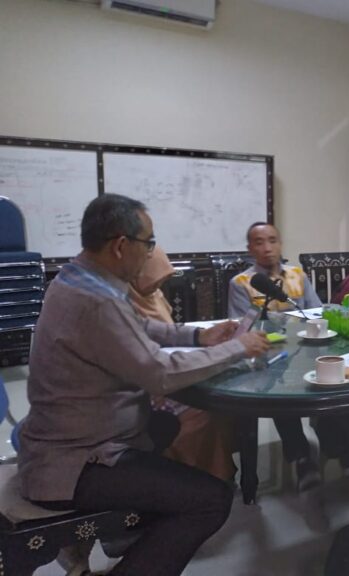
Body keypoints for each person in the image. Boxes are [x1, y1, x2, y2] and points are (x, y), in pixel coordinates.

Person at [18, 193, 270, 576]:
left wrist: (199, 338)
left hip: (65, 438)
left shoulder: (77, 278)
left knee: (166, 425)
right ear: (121, 245)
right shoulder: (96, 301)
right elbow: (160, 374)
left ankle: (131, 530)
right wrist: (236, 348)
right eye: (148, 243)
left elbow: (138, 330)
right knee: (211, 500)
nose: (151, 252)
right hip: (74, 463)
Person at [228, 222, 349, 490]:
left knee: (332, 379)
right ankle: (301, 457)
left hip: (306, 348)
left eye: (272, 240)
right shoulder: (242, 283)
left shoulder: (297, 275)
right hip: (267, 353)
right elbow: (243, 326)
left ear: (280, 244)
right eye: (259, 242)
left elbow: (315, 311)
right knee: (279, 392)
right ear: (249, 249)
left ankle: (341, 446)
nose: (267, 248)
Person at [129, 246, 236, 481]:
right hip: (142, 389)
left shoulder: (152, 296)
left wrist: (201, 336)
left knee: (225, 409)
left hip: (161, 371)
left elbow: (164, 331)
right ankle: (196, 478)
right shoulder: (118, 305)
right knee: (202, 412)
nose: (158, 287)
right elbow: (150, 366)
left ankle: (218, 472)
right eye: (154, 280)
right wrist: (234, 349)